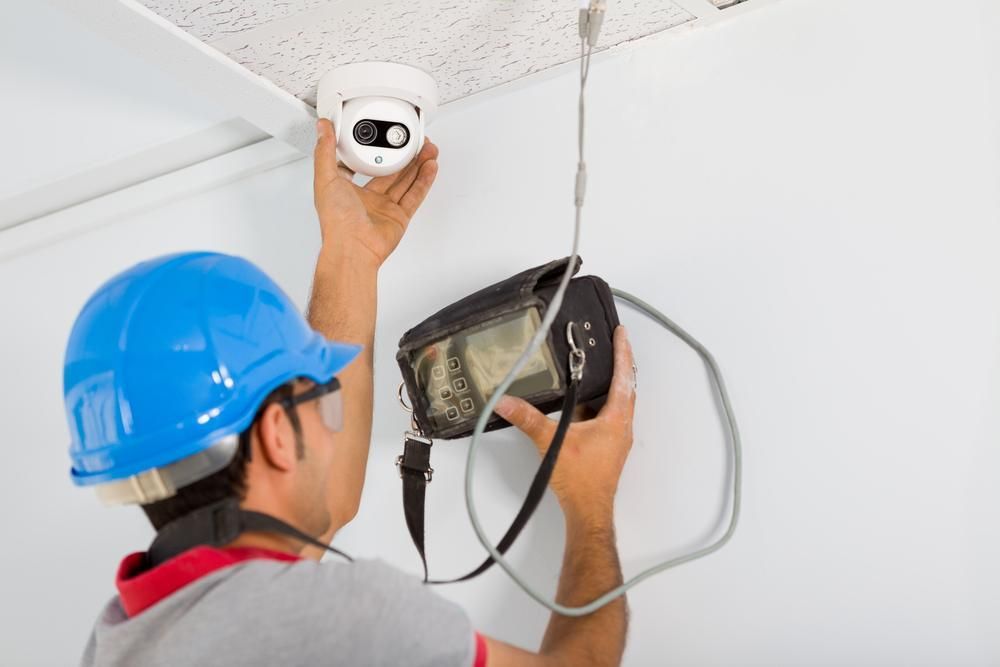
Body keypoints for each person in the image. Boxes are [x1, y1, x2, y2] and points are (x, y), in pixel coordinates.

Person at [66, 119, 637, 667]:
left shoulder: (123, 634)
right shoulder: (341, 615)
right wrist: (589, 500)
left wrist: (351, 255)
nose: (331, 417)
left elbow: (324, 507)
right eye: (320, 399)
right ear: (276, 436)